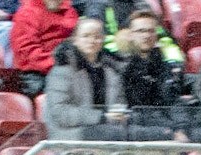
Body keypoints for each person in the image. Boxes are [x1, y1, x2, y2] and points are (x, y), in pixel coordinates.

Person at [43, 19, 171, 139]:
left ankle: (173, 131)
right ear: (75, 40)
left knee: (138, 119)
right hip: (72, 132)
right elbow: (60, 113)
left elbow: (119, 102)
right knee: (123, 134)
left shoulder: (110, 69)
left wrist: (118, 113)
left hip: (107, 127)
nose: (92, 40)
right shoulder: (62, 69)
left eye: (97, 36)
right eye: (86, 36)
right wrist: (101, 117)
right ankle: (167, 135)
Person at [117, 8, 188, 138]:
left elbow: (172, 101)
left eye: (150, 31)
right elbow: (136, 110)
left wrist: (181, 128)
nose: (146, 35)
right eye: (141, 31)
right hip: (136, 127)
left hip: (164, 125)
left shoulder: (163, 64)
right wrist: (171, 131)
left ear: (156, 35)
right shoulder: (121, 66)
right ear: (131, 34)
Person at [10, 0, 79, 95]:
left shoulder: (69, 11)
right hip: (37, 74)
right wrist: (59, 64)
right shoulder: (27, 13)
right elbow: (28, 53)